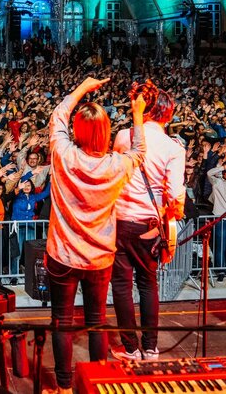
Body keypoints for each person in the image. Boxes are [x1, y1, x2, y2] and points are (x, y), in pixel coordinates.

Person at [44, 77, 146, 394]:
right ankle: (96, 384)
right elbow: (139, 151)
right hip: (99, 258)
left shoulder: (63, 154)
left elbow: (57, 116)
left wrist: (80, 90)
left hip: (63, 254)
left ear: (77, 131)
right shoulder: (117, 165)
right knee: (97, 321)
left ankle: (63, 387)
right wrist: (137, 114)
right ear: (106, 132)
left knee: (62, 321)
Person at [110, 83, 185, 361]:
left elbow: (115, 175)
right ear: (168, 114)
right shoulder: (173, 147)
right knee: (148, 283)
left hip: (120, 220)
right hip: (149, 224)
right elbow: (175, 196)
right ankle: (151, 347)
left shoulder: (123, 136)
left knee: (121, 285)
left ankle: (130, 348)